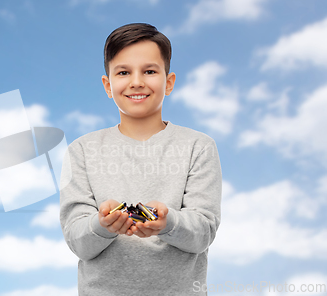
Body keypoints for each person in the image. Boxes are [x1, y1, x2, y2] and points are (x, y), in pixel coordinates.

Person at [59, 22, 222, 295]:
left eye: (149, 71)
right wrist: (102, 225)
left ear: (168, 82)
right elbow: (78, 242)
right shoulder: (81, 151)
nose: (137, 81)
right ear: (108, 85)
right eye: (123, 72)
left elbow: (203, 233)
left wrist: (168, 223)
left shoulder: (199, 147)